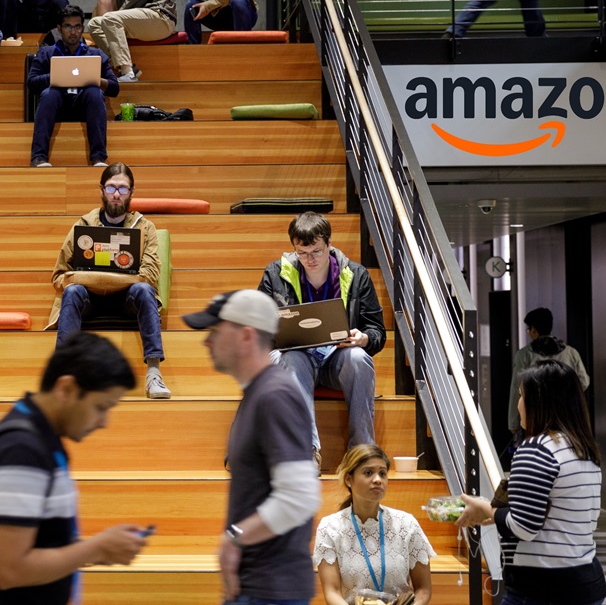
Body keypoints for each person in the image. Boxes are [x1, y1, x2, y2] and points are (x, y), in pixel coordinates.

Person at [0, 331, 147, 604]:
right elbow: (9, 571)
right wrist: (97, 549)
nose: (104, 421)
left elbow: (41, 544)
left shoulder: (42, 438)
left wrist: (95, 550)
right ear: (66, 389)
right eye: (101, 407)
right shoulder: (20, 450)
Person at [183, 289, 321, 604]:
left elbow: (300, 497)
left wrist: (234, 540)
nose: (207, 341)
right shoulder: (260, 393)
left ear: (246, 335)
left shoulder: (274, 395)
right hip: (258, 586)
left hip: (270, 590)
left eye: (216, 331)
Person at [456, 361, 606, 605]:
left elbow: (524, 527)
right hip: (586, 580)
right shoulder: (585, 449)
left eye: (521, 396)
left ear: (539, 402)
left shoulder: (536, 449)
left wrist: (486, 509)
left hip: (542, 588)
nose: (518, 405)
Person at [259, 211, 385, 464]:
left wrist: (363, 338)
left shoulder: (356, 274)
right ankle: (306, 452)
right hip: (293, 358)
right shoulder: (276, 273)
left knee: (358, 358)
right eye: (302, 253)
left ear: (328, 244)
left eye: (316, 251)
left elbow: (377, 331)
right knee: (293, 357)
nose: (310, 259)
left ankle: (362, 454)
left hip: (336, 360)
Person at [46, 163, 170, 399]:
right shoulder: (83, 225)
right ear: (101, 190)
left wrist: (91, 277)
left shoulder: (145, 227)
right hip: (89, 301)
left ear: (132, 192)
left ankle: (154, 373)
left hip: (128, 301)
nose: (116, 194)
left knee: (144, 290)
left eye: (123, 189)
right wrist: (116, 278)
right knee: (72, 293)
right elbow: (60, 276)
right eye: (111, 187)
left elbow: (149, 276)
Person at [313, 445, 435, 605]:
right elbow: (332, 593)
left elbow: (423, 590)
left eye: (382, 473)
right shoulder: (330, 527)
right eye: (368, 473)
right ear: (349, 479)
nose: (378, 479)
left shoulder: (407, 523)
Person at [26, 4, 119, 168]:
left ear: (82, 28)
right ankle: (39, 158)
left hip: (85, 105)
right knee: (49, 93)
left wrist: (94, 79)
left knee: (95, 92)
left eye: (77, 27)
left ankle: (99, 158)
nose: (73, 31)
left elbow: (114, 88)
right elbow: (32, 83)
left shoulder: (96, 54)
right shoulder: (47, 52)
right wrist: (57, 75)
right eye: (68, 26)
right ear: (59, 28)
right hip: (56, 104)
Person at [508, 307, 590, 436]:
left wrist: (513, 423)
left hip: (536, 418)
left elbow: (516, 389)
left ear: (533, 329)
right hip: (566, 416)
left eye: (529, 329)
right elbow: (583, 382)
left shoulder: (524, 355)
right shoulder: (570, 352)